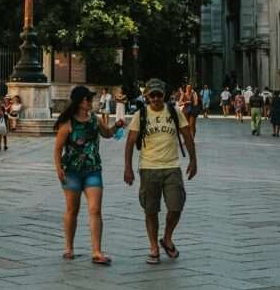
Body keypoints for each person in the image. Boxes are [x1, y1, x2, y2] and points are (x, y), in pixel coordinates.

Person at [124, 78, 198, 265]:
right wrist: (128, 168)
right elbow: (130, 142)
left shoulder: (174, 112)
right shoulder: (140, 115)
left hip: (172, 166)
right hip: (148, 168)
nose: (156, 98)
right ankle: (153, 246)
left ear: (164, 95)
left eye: (159, 95)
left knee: (176, 206)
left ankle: (166, 238)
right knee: (151, 210)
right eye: (152, 95)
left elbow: (187, 135)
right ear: (147, 96)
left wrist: (193, 160)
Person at [54, 86, 123, 263]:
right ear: (79, 101)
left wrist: (116, 126)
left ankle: (97, 251)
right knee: (72, 210)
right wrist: (58, 168)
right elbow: (58, 148)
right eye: (88, 99)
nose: (90, 102)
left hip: (93, 169)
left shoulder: (95, 119)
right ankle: (69, 247)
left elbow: (106, 134)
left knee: (95, 209)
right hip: (72, 172)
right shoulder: (68, 123)